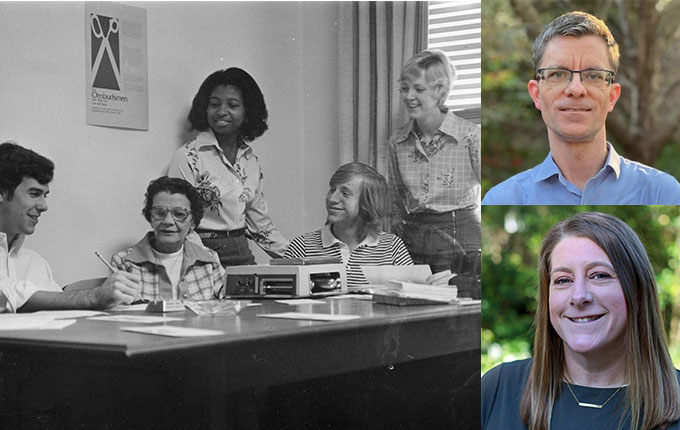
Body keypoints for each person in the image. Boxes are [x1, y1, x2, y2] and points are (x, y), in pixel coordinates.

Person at [482, 212, 680, 429]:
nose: (578, 296)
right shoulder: (497, 389)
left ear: (638, 291)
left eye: (599, 275)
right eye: (563, 280)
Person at [482, 11, 680, 205]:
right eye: (558, 74)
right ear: (536, 94)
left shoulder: (663, 193)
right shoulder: (500, 199)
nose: (576, 89)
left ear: (612, 96)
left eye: (593, 75)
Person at [0, 141, 141, 313]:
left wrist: (109, 288)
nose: (44, 206)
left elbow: (60, 301)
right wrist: (94, 296)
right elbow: (8, 296)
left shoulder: (35, 262)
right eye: (34, 194)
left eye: (45, 196)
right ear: (2, 192)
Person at [168, 67, 288, 266]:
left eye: (232, 105)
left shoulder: (250, 161)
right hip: (200, 255)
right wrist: (211, 264)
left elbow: (260, 225)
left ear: (247, 111)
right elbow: (180, 222)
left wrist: (302, 260)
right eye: (214, 104)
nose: (221, 112)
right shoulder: (188, 156)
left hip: (242, 253)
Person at [388, 49, 480, 296]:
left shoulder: (470, 136)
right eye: (404, 88)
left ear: (439, 90)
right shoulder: (397, 141)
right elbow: (396, 202)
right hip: (415, 238)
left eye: (418, 89)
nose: (408, 96)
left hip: (462, 235)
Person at [285, 162, 413, 287]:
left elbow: (413, 295)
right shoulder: (301, 247)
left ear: (367, 203)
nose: (332, 199)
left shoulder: (392, 248)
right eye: (332, 189)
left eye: (345, 193)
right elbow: (278, 301)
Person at [111, 176, 225, 301]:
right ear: (150, 217)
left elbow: (228, 304)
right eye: (160, 213)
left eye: (179, 214)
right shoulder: (123, 262)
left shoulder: (209, 259)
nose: (168, 221)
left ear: (193, 222)